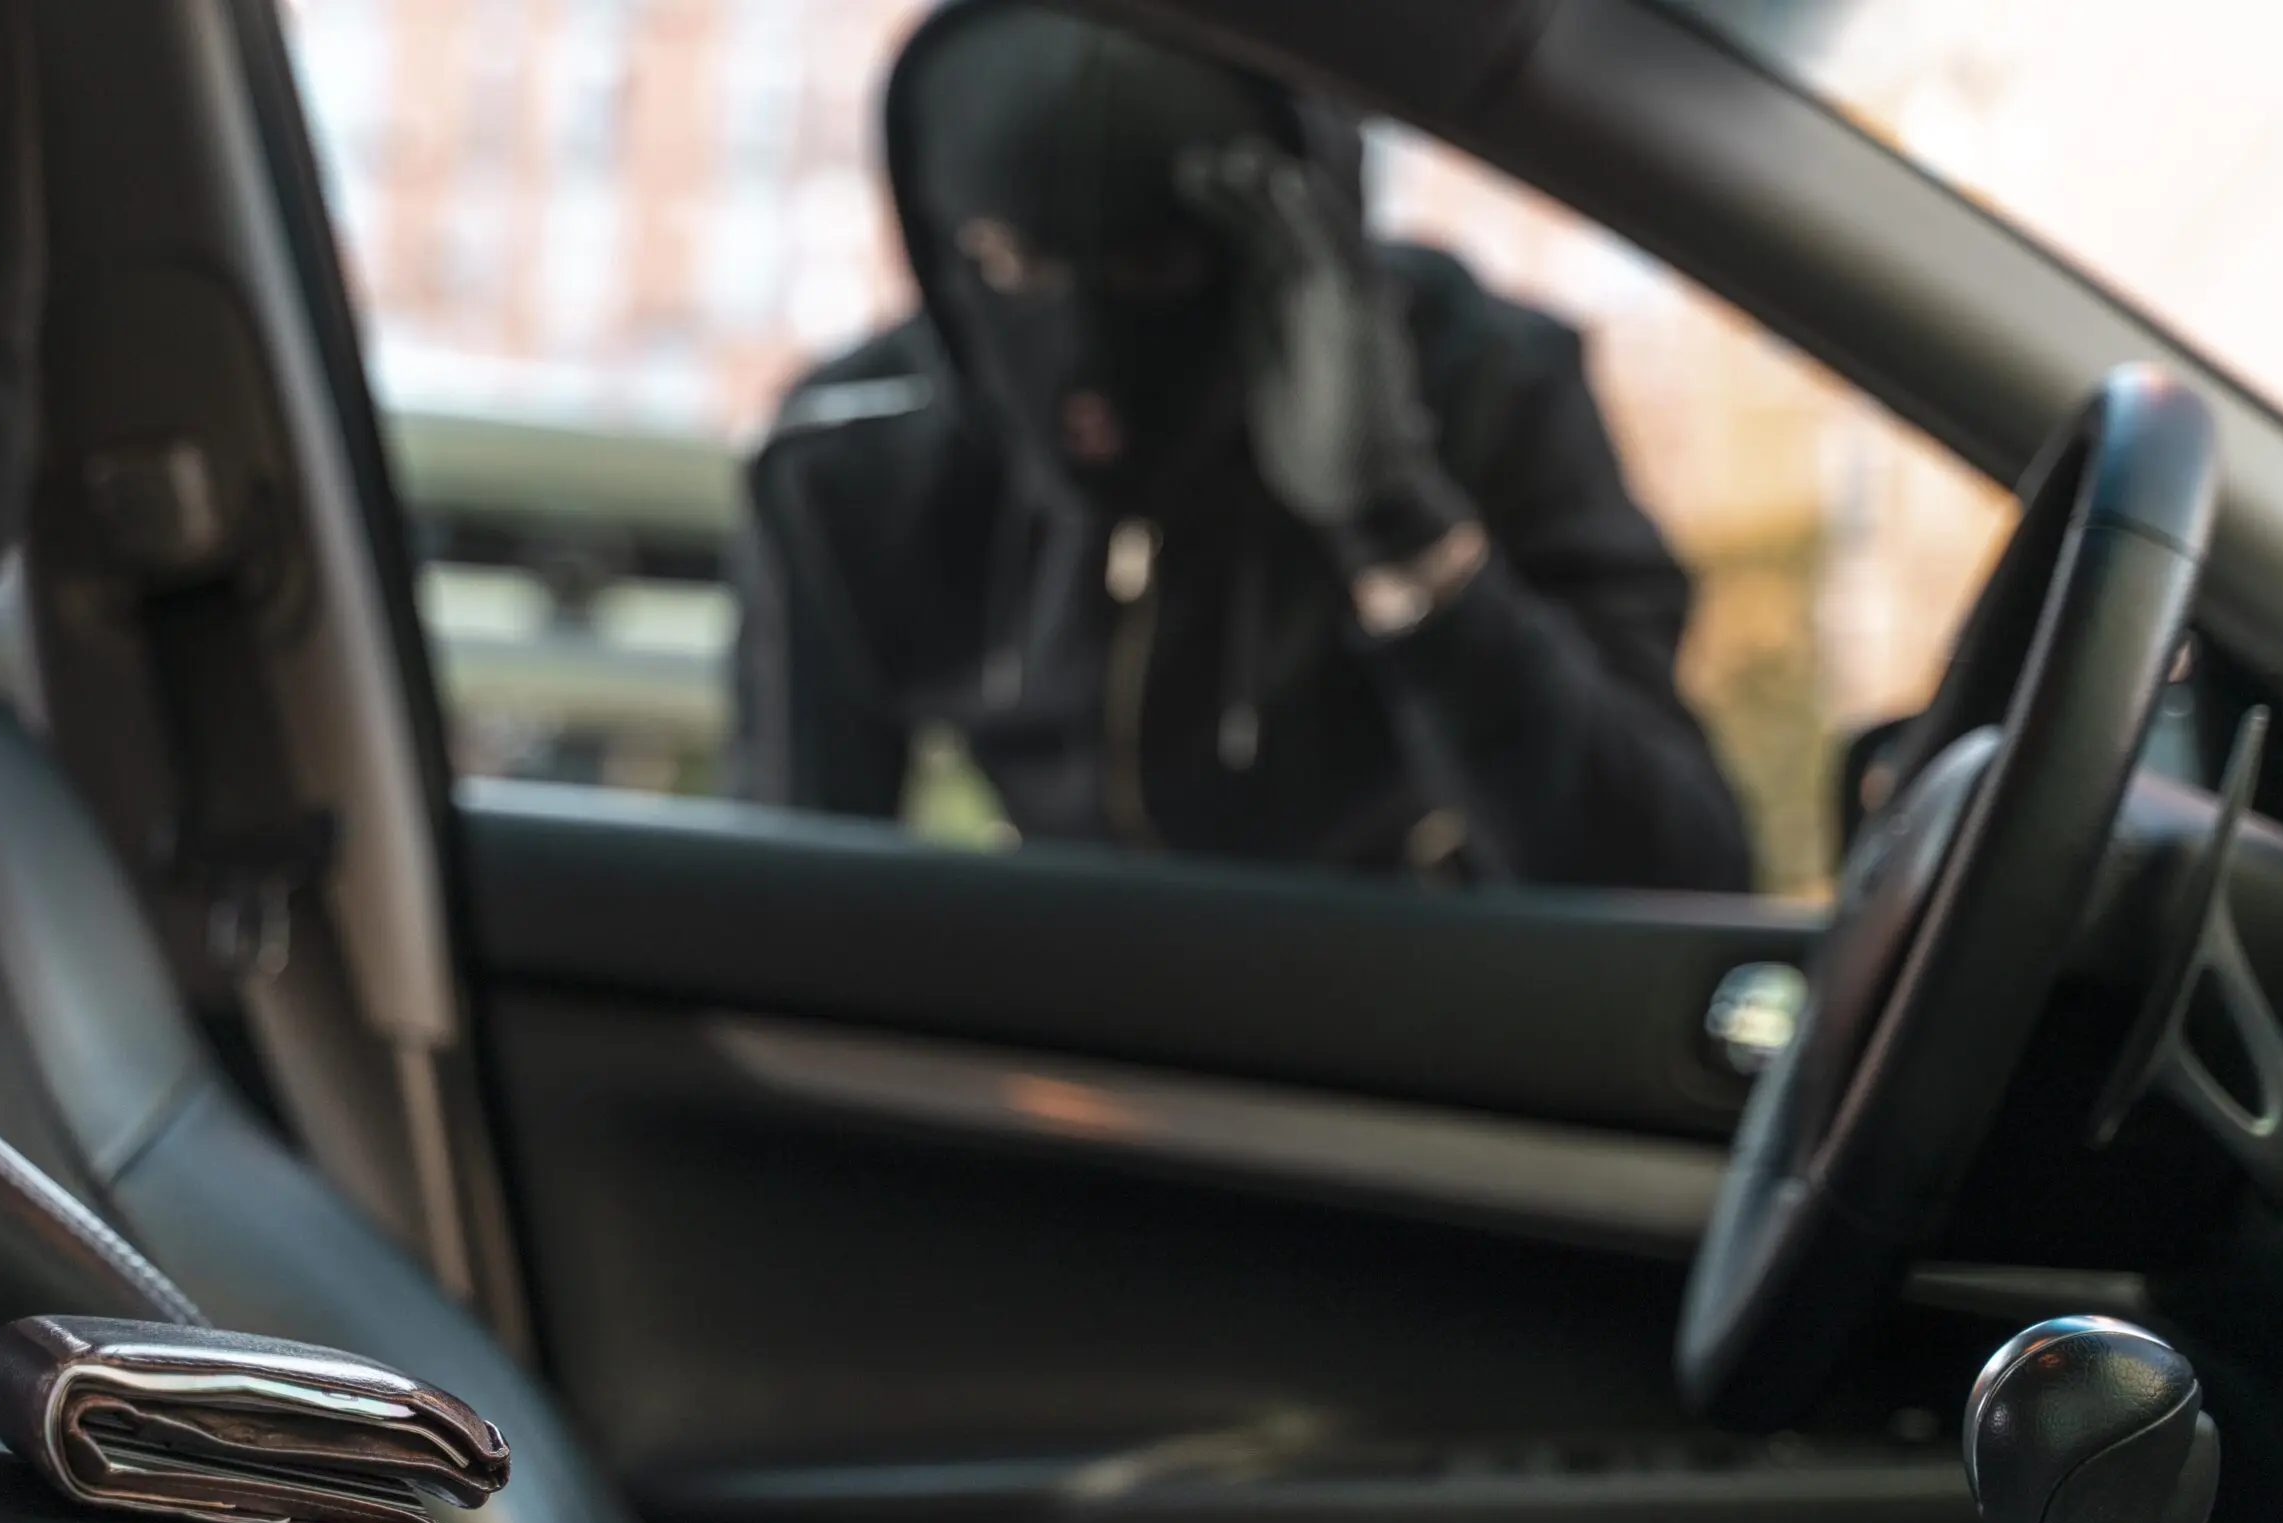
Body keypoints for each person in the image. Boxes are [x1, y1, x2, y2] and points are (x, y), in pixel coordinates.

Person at [724, 0, 1752, 891]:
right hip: (1044, 1051)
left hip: (1398, 1035)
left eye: (1155, 265)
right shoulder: (859, 457)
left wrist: (1400, 527)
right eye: (1012, 264)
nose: (1083, 363)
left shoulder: (1482, 384)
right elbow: (793, 898)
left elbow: (1668, 874)